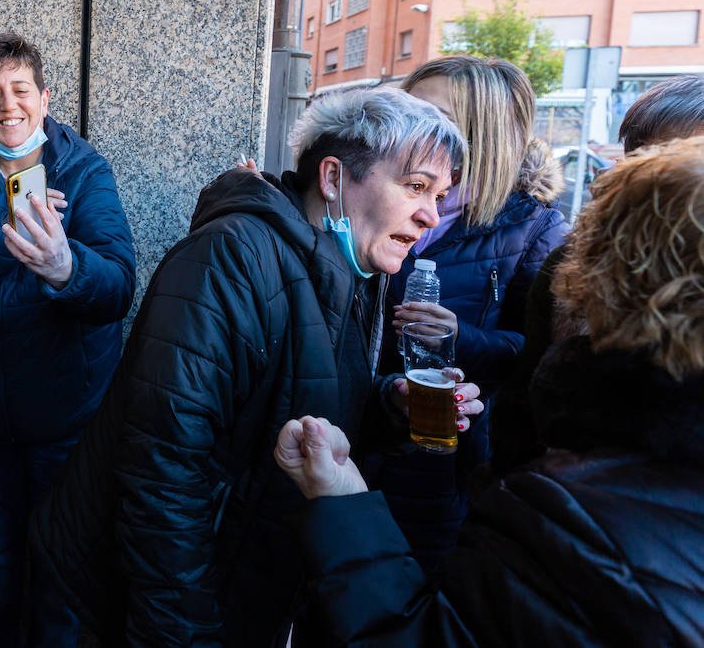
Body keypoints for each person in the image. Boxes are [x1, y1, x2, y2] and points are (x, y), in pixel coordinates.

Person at [31, 87, 471, 647]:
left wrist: (390, 406)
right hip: (120, 601)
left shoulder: (357, 270)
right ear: (333, 179)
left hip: (241, 584)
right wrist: (187, 637)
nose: (431, 214)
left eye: (440, 194)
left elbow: (302, 403)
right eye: (415, 186)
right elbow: (162, 475)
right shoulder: (230, 259)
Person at [275, 135, 704, 647]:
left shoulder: (570, 515)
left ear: (602, 278)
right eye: (416, 182)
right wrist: (392, 403)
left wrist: (342, 502)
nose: (429, 214)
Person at [0, 33, 135, 648]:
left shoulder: (84, 170)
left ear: (45, 98)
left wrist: (67, 269)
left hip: (70, 419)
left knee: (62, 572)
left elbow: (119, 287)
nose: (8, 106)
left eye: (20, 91)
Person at [365, 57, 568, 574]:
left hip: (442, 463)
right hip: (347, 434)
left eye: (434, 114)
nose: (414, 125)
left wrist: (464, 336)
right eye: (408, 108)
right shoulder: (366, 195)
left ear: (485, 134)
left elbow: (542, 354)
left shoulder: (533, 229)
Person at [491, 72, 704, 475]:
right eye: (641, 160)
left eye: (685, 159)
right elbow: (520, 405)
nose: (656, 180)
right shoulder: (572, 264)